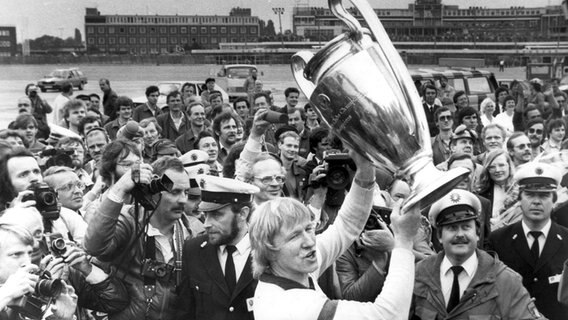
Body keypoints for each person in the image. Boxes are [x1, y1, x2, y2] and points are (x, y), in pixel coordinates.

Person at [249, 150, 422, 320]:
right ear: (269, 250)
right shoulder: (292, 305)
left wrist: (365, 170)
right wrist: (404, 240)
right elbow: (390, 316)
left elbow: (346, 225)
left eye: (308, 229)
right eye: (294, 236)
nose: (309, 242)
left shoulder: (291, 269)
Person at [84, 156, 203, 320]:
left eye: (186, 192)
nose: (183, 200)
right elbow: (94, 246)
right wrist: (120, 189)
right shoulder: (128, 220)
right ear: (152, 190)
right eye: (175, 192)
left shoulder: (193, 231)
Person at [412, 189, 541, 319]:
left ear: (478, 233)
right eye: (452, 228)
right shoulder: (420, 274)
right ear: (439, 236)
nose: (460, 234)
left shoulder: (505, 280)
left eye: (466, 227)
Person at [489, 162, 568, 320]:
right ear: (519, 199)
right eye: (530, 194)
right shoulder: (498, 240)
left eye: (544, 195)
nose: (536, 201)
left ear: (554, 200)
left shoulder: (566, 239)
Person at [175, 175, 259, 320]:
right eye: (206, 215)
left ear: (243, 213)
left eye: (217, 215)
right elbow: (185, 311)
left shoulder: (267, 250)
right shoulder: (193, 250)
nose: (207, 223)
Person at [0, 223, 78, 320]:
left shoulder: (25, 298)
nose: (27, 262)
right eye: (16, 254)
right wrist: (4, 295)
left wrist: (64, 318)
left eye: (29, 253)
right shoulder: (6, 295)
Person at [477, 149, 515, 226]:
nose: (497, 170)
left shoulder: (520, 189)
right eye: (492, 167)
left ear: (509, 166)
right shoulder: (482, 192)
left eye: (501, 165)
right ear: (487, 170)